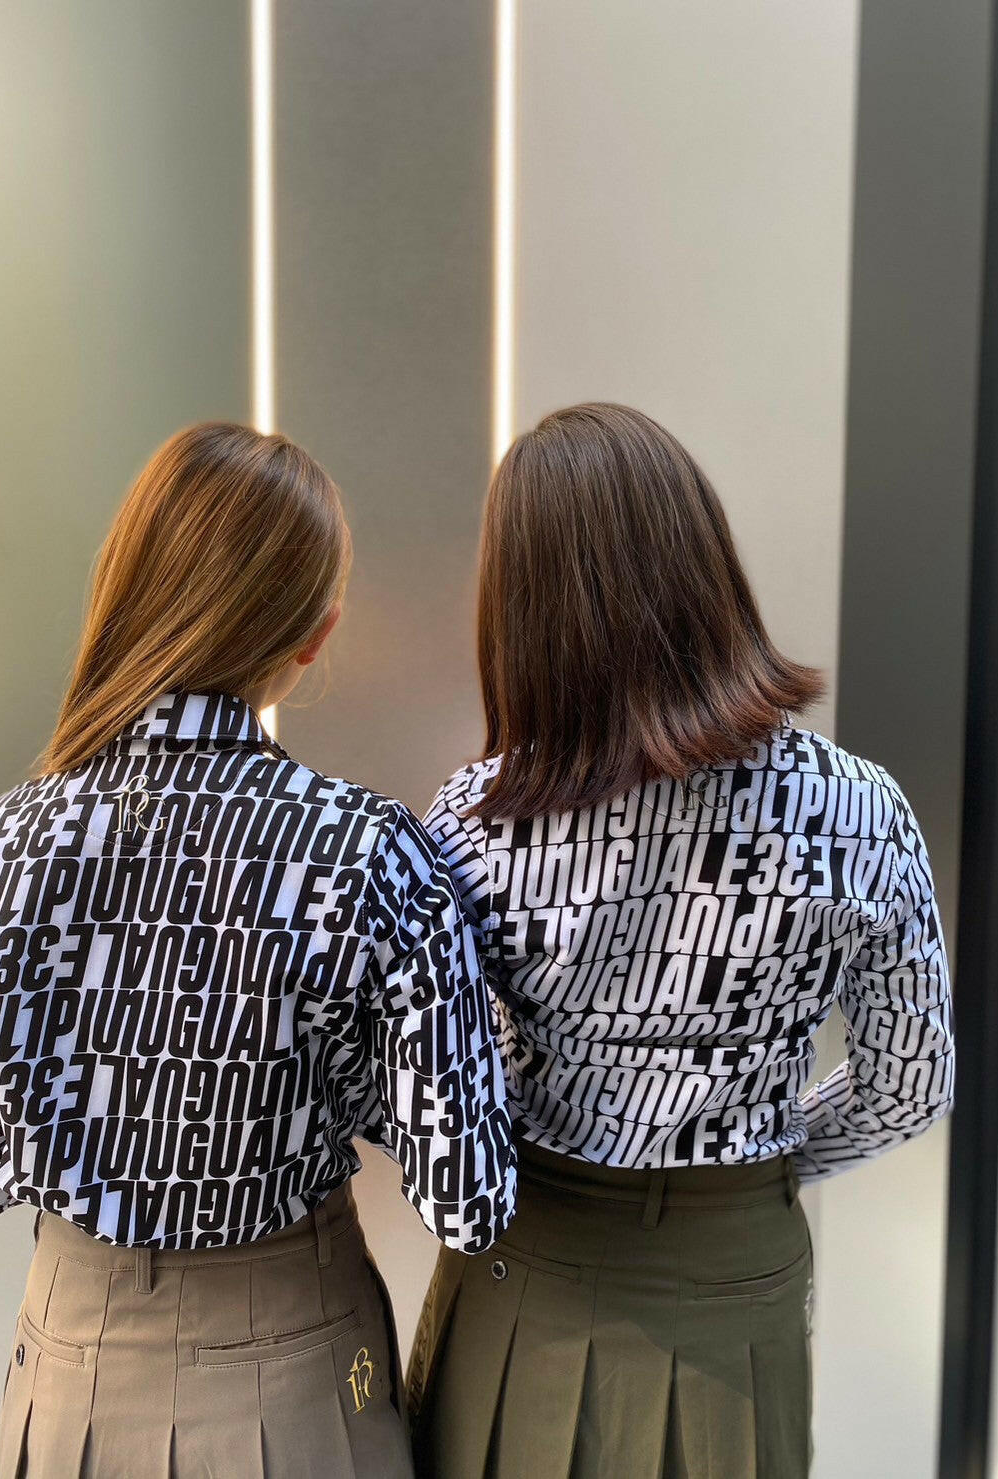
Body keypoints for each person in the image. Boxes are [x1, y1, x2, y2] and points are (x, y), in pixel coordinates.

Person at [0, 422, 516, 1479]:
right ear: (314, 634)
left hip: (67, 1376)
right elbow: (466, 1196)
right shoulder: (364, 853)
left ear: (123, 590)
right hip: (296, 1372)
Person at [407, 403, 953, 1479]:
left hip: (526, 1260)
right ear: (705, 565)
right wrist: (760, 1159)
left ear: (519, 604)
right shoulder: (856, 809)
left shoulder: (474, 822)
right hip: (734, 1270)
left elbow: (442, 1085)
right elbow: (909, 1085)